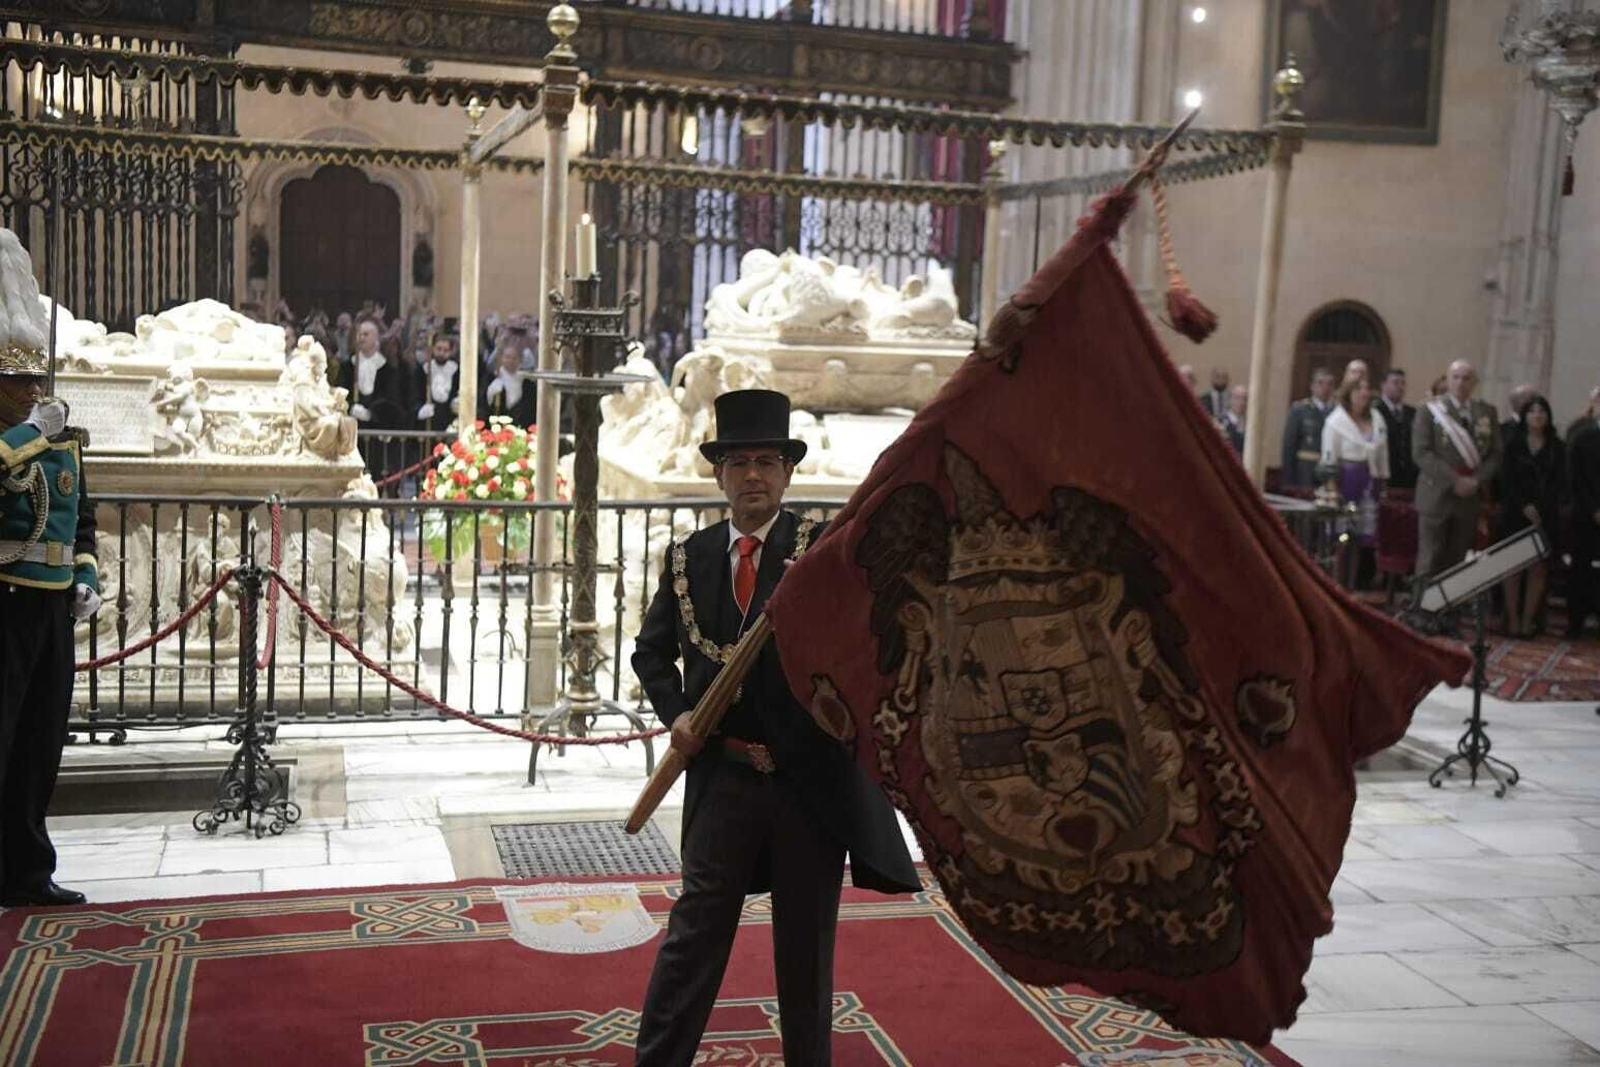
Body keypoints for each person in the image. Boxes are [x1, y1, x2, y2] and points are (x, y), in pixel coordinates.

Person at [631, 389, 917, 1066]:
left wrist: (817, 602)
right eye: (739, 462)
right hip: (720, 777)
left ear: (787, 473)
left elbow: (866, 645)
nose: (753, 475)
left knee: (805, 951)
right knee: (693, 937)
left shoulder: (822, 552)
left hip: (805, 788)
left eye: (766, 460)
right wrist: (676, 714)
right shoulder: (687, 558)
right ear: (719, 474)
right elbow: (651, 650)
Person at [0, 227, 99, 907]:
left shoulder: (61, 437)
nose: (34, 386)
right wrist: (30, 432)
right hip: (4, 600)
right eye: (19, 379)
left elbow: (80, 515)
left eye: (36, 376)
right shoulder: (27, 433)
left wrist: (87, 574)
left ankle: (28, 869)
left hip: (54, 603)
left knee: (39, 745)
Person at [1412, 360, 1503, 588]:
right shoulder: (1429, 409)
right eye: (1456, 377)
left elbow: (1496, 454)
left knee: (1457, 557)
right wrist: (1455, 480)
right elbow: (1421, 452)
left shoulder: (1487, 412)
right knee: (1430, 557)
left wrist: (1476, 480)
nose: (1461, 382)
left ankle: (1448, 610)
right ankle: (1422, 610)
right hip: (1436, 494)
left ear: (1475, 382)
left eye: (1466, 378)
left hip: (1469, 496)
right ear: (1447, 379)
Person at [1496, 395, 1564, 637]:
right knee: (1512, 566)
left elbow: (1559, 482)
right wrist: (1524, 505)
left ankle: (1527, 620)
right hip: (1515, 513)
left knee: (1538, 567)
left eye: (1542, 411)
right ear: (1525, 416)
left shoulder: (1558, 446)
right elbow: (1507, 480)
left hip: (1545, 515)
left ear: (1548, 416)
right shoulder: (1513, 443)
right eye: (1532, 411)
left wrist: (1540, 509)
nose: (1537, 415)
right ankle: (1512, 619)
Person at [1321, 374, 1388, 585]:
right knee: (1343, 537)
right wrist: (1333, 490)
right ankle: (1336, 583)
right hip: (1345, 481)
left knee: (1363, 538)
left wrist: (1383, 483)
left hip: (1370, 483)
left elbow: (1383, 453)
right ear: (1348, 393)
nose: (1364, 393)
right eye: (1359, 389)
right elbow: (1328, 458)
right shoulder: (1335, 421)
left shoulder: (1377, 417)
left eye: (1367, 388)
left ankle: (1354, 583)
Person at [1568, 405, 1600, 639]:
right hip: (1585, 515)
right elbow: (1575, 478)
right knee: (1580, 569)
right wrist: (1594, 509)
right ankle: (1576, 621)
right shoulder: (1583, 437)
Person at [1280, 367, 1336, 489]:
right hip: (1305, 472)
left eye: (1330, 384)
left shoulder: (1336, 412)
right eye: (1320, 383)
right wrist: (1288, 481)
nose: (1325, 388)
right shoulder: (1299, 410)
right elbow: (1289, 446)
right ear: (1312, 386)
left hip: (1329, 474)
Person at [1375, 367, 1417, 490]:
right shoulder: (1375, 411)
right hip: (1385, 474)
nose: (1400, 387)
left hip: (1409, 478)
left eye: (1403, 383)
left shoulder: (1412, 412)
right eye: (1395, 382)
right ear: (1383, 385)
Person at [413, 331, 460, 433]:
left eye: (445, 350)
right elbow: (414, 396)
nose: (442, 353)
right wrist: (420, 409)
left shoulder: (457, 371)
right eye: (438, 349)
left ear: (451, 352)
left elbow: (459, 392)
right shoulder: (423, 370)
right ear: (432, 349)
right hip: (428, 422)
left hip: (449, 421)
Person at [481, 345, 535, 428]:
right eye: (507, 357)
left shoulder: (527, 384)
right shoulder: (491, 379)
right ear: (502, 359)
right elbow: (484, 404)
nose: (511, 361)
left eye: (514, 358)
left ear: (520, 360)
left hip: (520, 427)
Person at [1221, 383, 1247, 456]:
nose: (1241, 402)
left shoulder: (1249, 425)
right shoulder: (1220, 422)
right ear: (1230, 400)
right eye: (1237, 398)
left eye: (1244, 399)